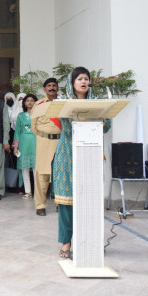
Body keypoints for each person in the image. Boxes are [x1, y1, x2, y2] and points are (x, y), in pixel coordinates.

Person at [53, 66, 111, 259]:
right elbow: (67, 129)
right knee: (67, 202)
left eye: (86, 78)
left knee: (89, 200)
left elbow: (106, 125)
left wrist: (101, 116)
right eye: (79, 79)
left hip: (90, 153)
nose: (84, 82)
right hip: (67, 154)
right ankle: (66, 243)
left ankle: (90, 241)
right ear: (72, 83)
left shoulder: (97, 103)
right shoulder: (63, 103)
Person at [31, 78, 61, 216]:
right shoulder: (39, 105)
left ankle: (60, 204)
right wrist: (43, 137)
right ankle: (40, 205)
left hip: (61, 142)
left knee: (60, 174)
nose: (51, 88)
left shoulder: (63, 103)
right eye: (49, 86)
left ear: (58, 88)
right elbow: (34, 126)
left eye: (54, 85)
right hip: (44, 141)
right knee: (42, 174)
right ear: (44, 89)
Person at [13, 93, 38, 199]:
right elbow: (17, 132)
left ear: (35, 102)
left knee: (36, 168)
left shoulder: (39, 115)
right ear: (24, 103)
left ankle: (38, 192)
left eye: (32, 100)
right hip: (23, 143)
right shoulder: (20, 116)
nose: (30, 102)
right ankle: (28, 191)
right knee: (25, 168)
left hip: (36, 142)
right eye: (27, 100)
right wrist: (15, 147)